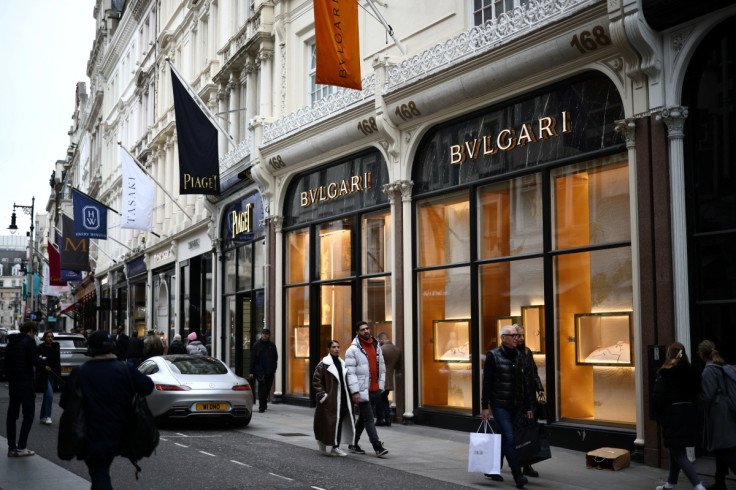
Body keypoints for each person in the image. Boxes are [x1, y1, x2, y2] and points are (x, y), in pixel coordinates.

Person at [60, 330, 154, 489]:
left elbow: (64, 403)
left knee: (99, 475)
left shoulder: (80, 372)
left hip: (91, 433)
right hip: (121, 432)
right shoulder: (125, 369)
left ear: (91, 350)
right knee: (100, 473)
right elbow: (147, 387)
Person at [481, 324, 534, 489]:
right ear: (503, 338)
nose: (516, 338)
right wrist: (485, 406)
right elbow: (487, 383)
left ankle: (492, 468)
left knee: (504, 437)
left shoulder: (520, 355)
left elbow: (525, 383)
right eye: (512, 336)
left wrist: (528, 407)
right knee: (509, 437)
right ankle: (517, 475)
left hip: (517, 405)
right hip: (500, 405)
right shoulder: (493, 356)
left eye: (516, 335)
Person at [652, 342, 705, 490]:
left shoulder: (665, 372)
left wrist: (659, 415)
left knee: (678, 452)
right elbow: (698, 393)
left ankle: (698, 485)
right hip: (690, 413)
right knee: (675, 449)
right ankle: (671, 483)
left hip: (673, 415)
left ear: (669, 354)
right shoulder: (692, 370)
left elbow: (658, 396)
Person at [5, 321, 50, 457]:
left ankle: (12, 447)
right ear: (31, 330)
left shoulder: (11, 342)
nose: (35, 335)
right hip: (26, 381)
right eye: (35, 332)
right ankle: (22, 447)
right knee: (28, 414)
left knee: (12, 415)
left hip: (13, 382)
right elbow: (34, 361)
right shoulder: (29, 342)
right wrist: (43, 364)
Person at [345, 321, 389, 458]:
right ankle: (377, 446)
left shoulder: (376, 345)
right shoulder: (352, 350)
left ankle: (353, 443)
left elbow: (381, 367)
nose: (366, 331)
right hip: (362, 390)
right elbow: (350, 373)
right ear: (357, 332)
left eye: (367, 328)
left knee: (363, 419)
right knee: (369, 419)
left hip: (375, 389)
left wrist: (381, 386)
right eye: (362, 329)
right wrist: (355, 392)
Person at [698, 340, 736, 490]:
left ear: (702, 355)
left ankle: (720, 482)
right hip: (728, 411)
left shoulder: (709, 370)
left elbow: (707, 396)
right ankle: (719, 482)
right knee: (722, 449)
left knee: (724, 449)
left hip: (719, 414)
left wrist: (695, 399)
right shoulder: (722, 366)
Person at [312, 340, 355, 457]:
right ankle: (323, 442)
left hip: (342, 399)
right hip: (330, 400)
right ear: (329, 349)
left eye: (338, 347)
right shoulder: (323, 365)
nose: (336, 349)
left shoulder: (342, 363)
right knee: (328, 423)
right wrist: (323, 396)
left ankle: (335, 447)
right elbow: (316, 381)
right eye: (334, 347)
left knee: (338, 423)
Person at [515, 324, 544, 479]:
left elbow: (534, 372)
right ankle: (516, 465)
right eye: (517, 335)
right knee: (517, 434)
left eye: (522, 335)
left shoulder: (527, 352)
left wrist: (539, 387)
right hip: (516, 401)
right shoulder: (509, 353)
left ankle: (527, 465)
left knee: (529, 433)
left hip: (530, 399)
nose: (520, 338)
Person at [249, 328, 278, 413]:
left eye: (266, 334)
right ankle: (261, 407)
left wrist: (274, 369)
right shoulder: (256, 345)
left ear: (269, 335)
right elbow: (252, 359)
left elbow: (275, 358)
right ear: (261, 335)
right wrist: (251, 372)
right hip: (260, 371)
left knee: (267, 389)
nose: (264, 335)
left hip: (269, 371)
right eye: (263, 333)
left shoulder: (272, 346)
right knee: (262, 389)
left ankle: (264, 403)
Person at [376, 332, 400, 427]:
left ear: (382, 339)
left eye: (379, 340)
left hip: (381, 378)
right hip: (390, 379)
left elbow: (377, 364)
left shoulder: (381, 349)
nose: (378, 342)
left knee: (379, 400)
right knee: (384, 399)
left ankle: (380, 419)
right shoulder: (397, 349)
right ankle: (388, 418)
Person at [37, 330, 61, 425]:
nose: (50, 338)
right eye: (48, 337)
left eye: (51, 337)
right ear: (44, 338)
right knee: (50, 395)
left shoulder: (55, 347)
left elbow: (58, 361)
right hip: (44, 374)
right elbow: (37, 361)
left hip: (53, 374)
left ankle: (43, 416)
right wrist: (44, 367)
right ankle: (48, 416)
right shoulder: (40, 348)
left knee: (47, 395)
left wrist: (58, 374)